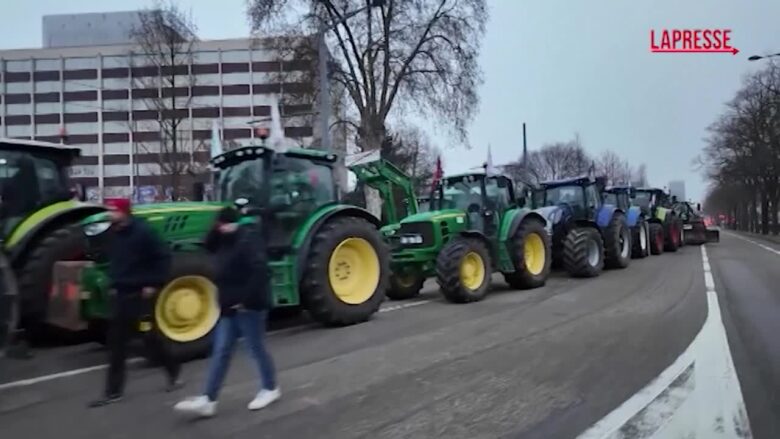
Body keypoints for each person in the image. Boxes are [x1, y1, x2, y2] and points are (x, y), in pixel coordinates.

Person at [174, 206, 279, 418]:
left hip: (249, 306)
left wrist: (244, 300)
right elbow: (207, 245)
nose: (220, 228)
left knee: (254, 348)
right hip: (228, 307)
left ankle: (270, 388)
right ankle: (208, 399)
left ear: (233, 223)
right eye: (218, 225)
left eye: (223, 224)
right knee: (221, 351)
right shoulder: (222, 240)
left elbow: (261, 271)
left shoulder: (249, 240)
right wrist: (216, 226)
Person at [89, 197, 181, 408]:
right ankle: (113, 392)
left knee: (149, 338)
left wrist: (153, 283)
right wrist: (113, 282)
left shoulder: (143, 232)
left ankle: (173, 371)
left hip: (140, 296)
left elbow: (163, 257)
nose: (109, 214)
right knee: (117, 344)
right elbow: (116, 261)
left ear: (124, 212)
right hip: (121, 295)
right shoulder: (113, 233)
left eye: (113, 210)